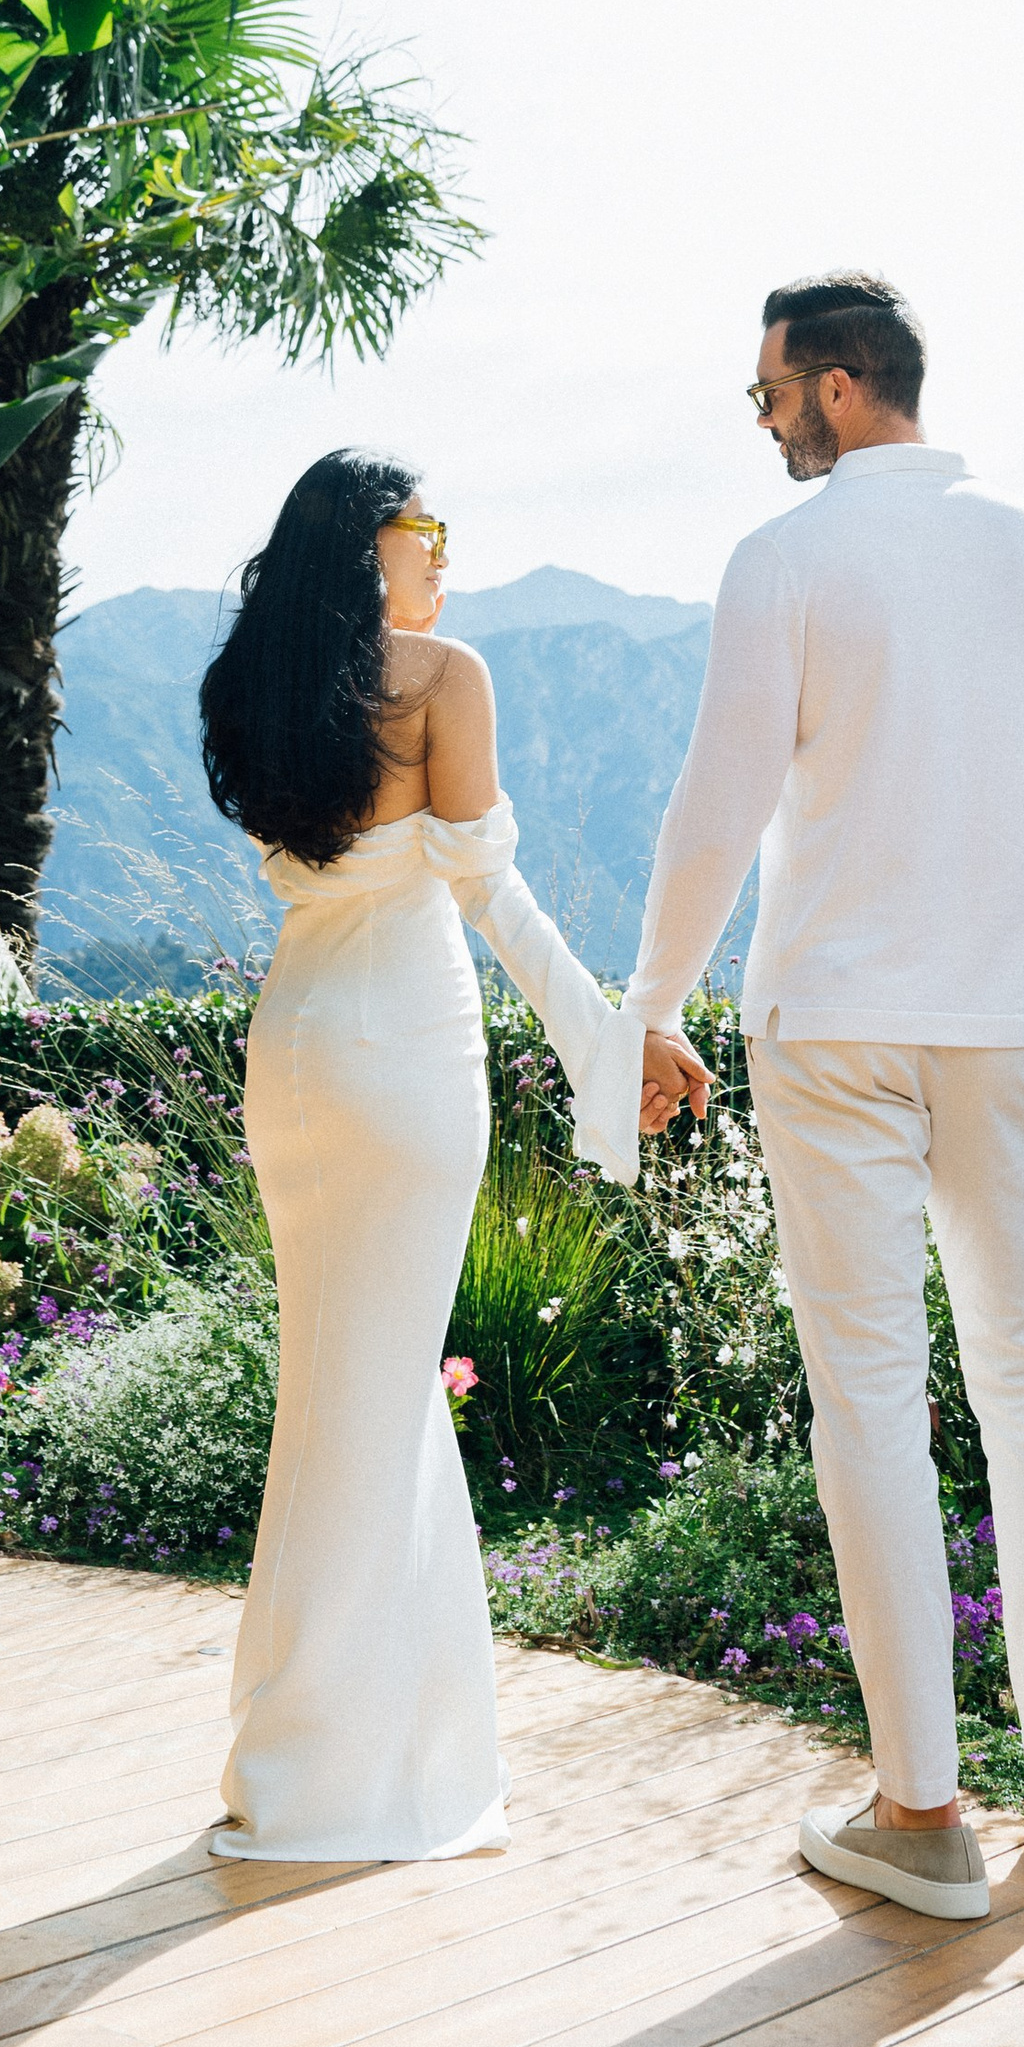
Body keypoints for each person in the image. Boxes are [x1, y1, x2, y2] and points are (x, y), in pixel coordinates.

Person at [627, 271, 1024, 1922]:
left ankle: (923, 1812)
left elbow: (721, 802)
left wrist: (652, 1000)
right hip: (994, 1024)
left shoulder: (789, 557)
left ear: (842, 387)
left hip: (832, 1026)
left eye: (770, 388)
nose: (764, 415)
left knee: (873, 1399)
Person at [197, 447, 708, 1862]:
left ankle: (332, 1756)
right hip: (405, 1062)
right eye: (428, 528)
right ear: (370, 544)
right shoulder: (440, 678)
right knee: (370, 1401)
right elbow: (490, 890)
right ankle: (324, 1783)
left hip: (293, 1051)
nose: (446, 555)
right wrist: (617, 1045)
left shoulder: (252, 687)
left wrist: (614, 1045)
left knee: (340, 1395)